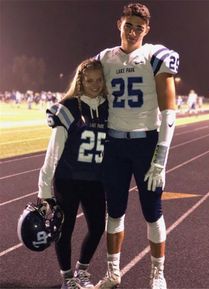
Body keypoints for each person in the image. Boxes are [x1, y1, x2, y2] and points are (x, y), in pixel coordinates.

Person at [94, 3, 179, 289]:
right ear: (119, 23)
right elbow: (84, 87)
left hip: (146, 143)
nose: (132, 31)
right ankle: (113, 272)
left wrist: (161, 157)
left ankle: (158, 273)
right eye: (128, 25)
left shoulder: (155, 55)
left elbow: (169, 110)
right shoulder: (105, 58)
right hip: (115, 145)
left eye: (139, 27)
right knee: (114, 211)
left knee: (152, 212)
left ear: (147, 30)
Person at [37, 58, 108, 289]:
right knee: (64, 230)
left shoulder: (109, 107)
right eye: (89, 80)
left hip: (95, 180)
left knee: (98, 227)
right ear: (80, 81)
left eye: (99, 80)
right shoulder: (68, 108)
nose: (95, 84)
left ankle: (82, 271)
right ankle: (67, 278)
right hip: (68, 179)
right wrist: (44, 189)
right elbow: (53, 151)